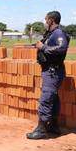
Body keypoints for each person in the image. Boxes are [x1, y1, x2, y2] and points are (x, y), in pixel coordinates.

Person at [26, 11, 69, 139]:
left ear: (51, 20)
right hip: (51, 71)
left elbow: (62, 48)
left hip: (53, 72)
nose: (45, 23)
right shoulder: (51, 34)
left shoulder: (58, 33)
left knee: (46, 99)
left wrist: (43, 47)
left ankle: (41, 129)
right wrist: (39, 46)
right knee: (53, 98)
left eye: (46, 20)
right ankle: (53, 126)